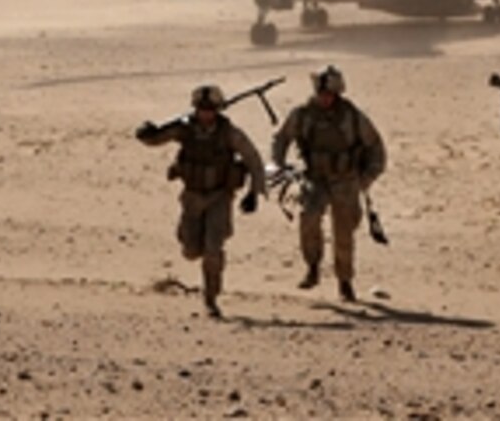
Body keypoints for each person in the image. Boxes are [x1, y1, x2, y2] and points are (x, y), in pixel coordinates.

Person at [136, 85, 266, 318]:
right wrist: (146, 134)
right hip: (193, 198)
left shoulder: (229, 133)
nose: (206, 114)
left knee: (213, 249)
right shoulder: (185, 129)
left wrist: (254, 193)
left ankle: (211, 298)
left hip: (219, 197)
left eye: (210, 110)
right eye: (201, 109)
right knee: (191, 250)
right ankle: (188, 240)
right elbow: (158, 138)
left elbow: (253, 159)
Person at [272, 65, 386, 302]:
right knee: (308, 217)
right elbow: (282, 138)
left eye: (329, 95)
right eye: (321, 94)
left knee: (344, 233)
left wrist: (365, 180)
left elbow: (376, 148)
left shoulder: (352, 116)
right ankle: (313, 266)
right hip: (314, 177)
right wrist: (280, 164)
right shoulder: (302, 115)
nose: (325, 99)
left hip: (345, 180)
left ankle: (345, 282)